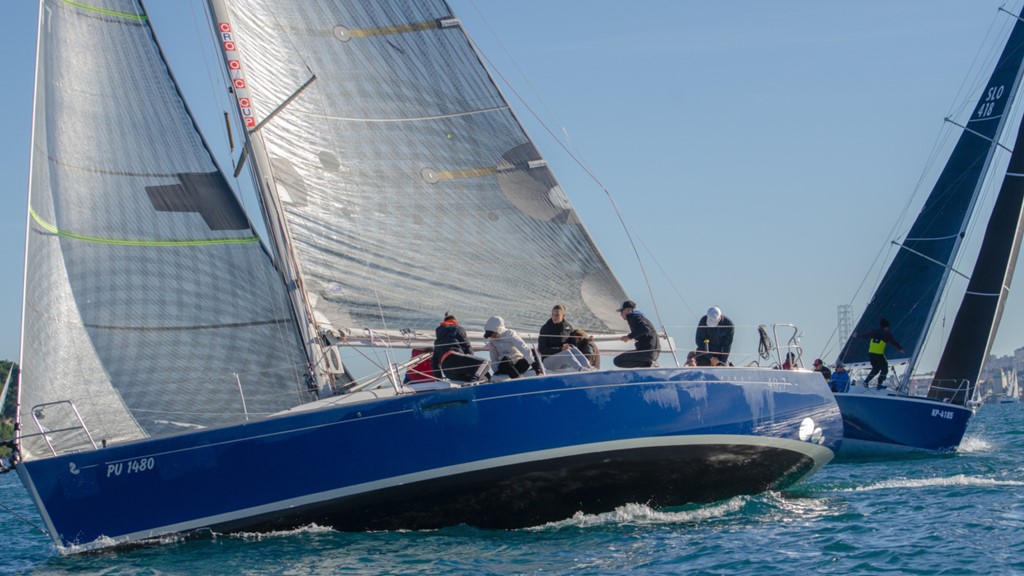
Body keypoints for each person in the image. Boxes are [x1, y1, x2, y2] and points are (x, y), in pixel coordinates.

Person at [432, 313, 488, 382]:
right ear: (455, 321)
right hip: (455, 359)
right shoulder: (457, 328)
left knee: (472, 377)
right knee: (485, 363)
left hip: (447, 372)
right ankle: (474, 381)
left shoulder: (438, 340)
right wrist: (471, 361)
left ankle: (473, 382)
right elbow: (467, 346)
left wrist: (439, 380)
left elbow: (434, 362)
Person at [854, 318, 905, 390]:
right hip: (879, 354)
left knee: (876, 369)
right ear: (886, 327)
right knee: (885, 369)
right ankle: (879, 385)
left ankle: (866, 382)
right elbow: (893, 342)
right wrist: (900, 349)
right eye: (888, 327)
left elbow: (865, 336)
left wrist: (857, 335)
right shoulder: (886, 334)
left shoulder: (874, 331)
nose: (888, 328)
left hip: (871, 353)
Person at [614, 300, 660, 368]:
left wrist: (628, 337)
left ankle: (647, 364)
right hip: (653, 352)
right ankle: (647, 365)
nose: (621, 314)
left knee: (618, 361)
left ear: (626, 310)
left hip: (647, 352)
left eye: (621, 311)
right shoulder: (640, 317)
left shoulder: (633, 317)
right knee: (623, 358)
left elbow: (645, 329)